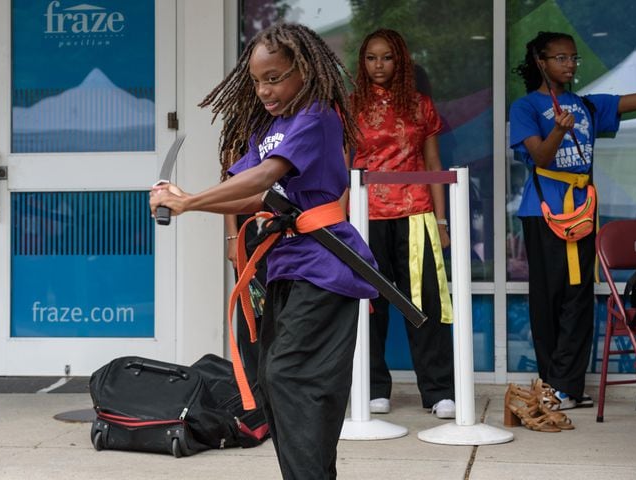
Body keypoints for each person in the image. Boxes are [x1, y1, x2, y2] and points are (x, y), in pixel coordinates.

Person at [150, 23, 377, 480]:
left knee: (291, 377)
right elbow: (249, 195)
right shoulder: (269, 127)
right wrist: (189, 200)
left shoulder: (316, 116)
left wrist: (189, 201)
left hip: (326, 264)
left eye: (274, 77)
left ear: (306, 70)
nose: (263, 90)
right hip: (285, 265)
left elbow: (265, 176)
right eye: (257, 81)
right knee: (275, 382)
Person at [509, 31, 636, 410]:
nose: (570, 65)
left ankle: (568, 385)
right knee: (549, 298)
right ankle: (552, 383)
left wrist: (570, 123)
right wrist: (558, 130)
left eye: (573, 58)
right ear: (540, 62)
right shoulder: (525, 107)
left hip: (581, 214)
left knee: (578, 297)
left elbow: (631, 102)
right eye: (561, 58)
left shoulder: (586, 105)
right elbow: (543, 158)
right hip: (544, 212)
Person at [350, 28, 455, 418]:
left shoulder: (420, 105)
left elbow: (433, 164)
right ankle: (376, 387)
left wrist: (441, 221)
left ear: (401, 61)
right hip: (365, 217)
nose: (379, 65)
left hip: (416, 213)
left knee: (426, 301)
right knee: (370, 305)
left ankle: (439, 391)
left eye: (387, 57)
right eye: (371, 57)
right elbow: (343, 167)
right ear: (362, 62)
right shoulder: (350, 106)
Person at [223, 212, 266, 383]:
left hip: (285, 231)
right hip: (249, 233)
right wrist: (232, 237)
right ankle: (255, 389)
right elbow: (228, 191)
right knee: (252, 317)